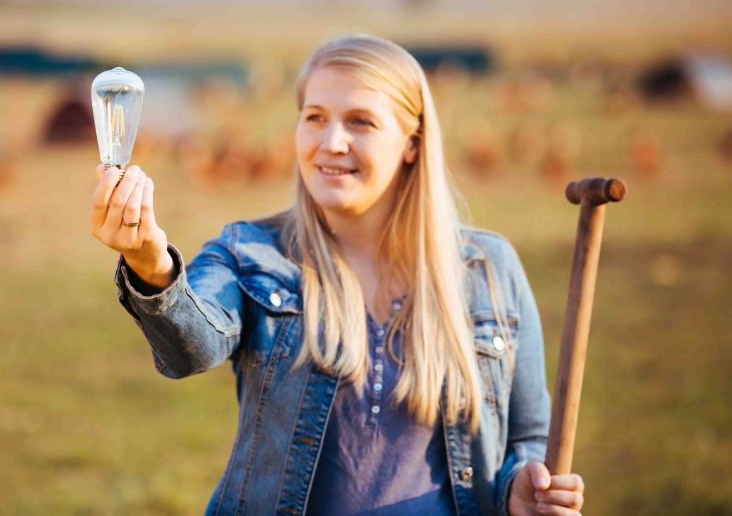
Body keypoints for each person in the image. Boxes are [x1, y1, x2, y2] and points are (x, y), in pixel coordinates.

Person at [90, 34, 585, 516]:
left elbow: (527, 434)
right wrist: (150, 262)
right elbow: (190, 348)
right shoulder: (252, 253)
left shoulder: (488, 268)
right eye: (315, 118)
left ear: (412, 144)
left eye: (360, 121)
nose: (331, 142)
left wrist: (521, 489)